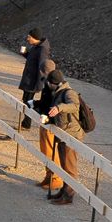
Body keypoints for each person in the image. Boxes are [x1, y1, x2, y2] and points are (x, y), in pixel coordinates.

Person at [46, 70, 84, 205]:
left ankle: (68, 196)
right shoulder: (58, 92)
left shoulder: (69, 92)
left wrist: (59, 107)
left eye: (49, 83)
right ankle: (64, 191)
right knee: (64, 166)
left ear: (54, 83)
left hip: (71, 136)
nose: (48, 85)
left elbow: (74, 106)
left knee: (70, 168)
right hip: (63, 134)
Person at [31, 60, 63, 190]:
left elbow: (53, 104)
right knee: (45, 150)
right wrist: (35, 104)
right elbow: (45, 102)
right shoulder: (47, 83)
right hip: (44, 120)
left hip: (51, 124)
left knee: (50, 150)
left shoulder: (54, 86)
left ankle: (56, 178)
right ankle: (49, 175)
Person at [18, 28, 51, 129]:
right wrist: (25, 54)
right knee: (26, 100)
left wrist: (39, 85)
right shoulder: (36, 47)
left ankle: (27, 124)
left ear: (35, 38)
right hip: (29, 80)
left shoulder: (42, 50)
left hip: (32, 82)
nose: (27, 39)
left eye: (29, 37)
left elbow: (42, 67)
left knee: (29, 102)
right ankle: (26, 122)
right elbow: (32, 60)